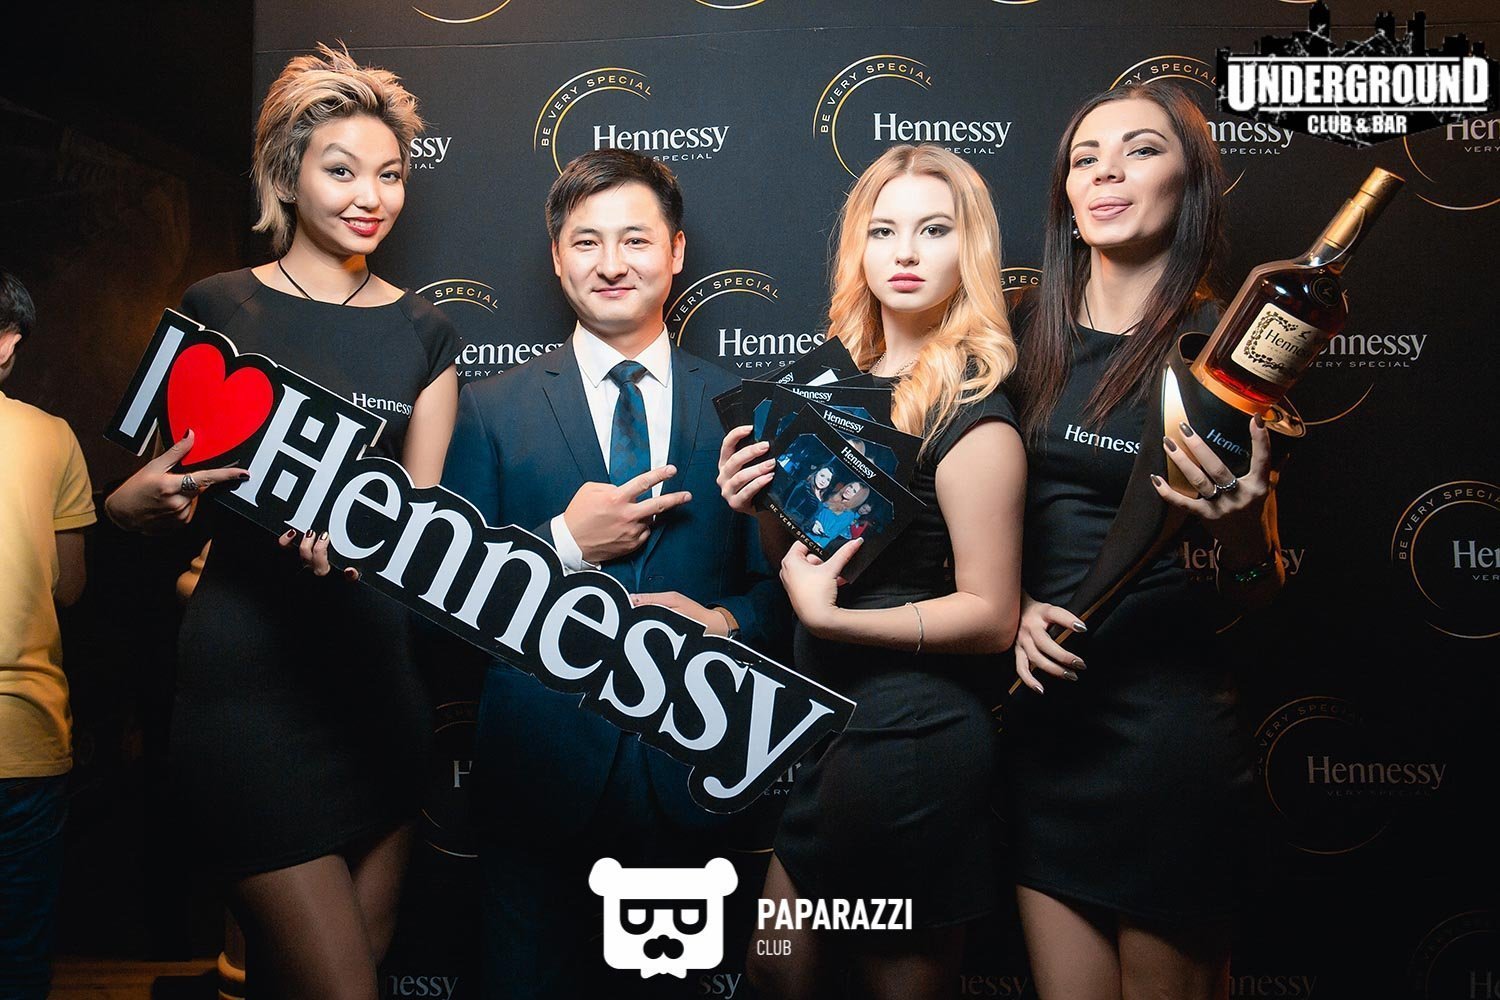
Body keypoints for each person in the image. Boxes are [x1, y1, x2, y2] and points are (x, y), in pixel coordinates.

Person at [104, 45, 458, 1000]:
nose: (370, 196)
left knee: (349, 967)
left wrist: (376, 554)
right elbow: (162, 486)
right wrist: (130, 507)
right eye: (341, 170)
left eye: (390, 174)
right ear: (288, 175)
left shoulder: (427, 334)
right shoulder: (218, 307)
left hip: (377, 689)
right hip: (249, 692)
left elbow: (421, 529)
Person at [440, 148, 788, 999]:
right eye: (586, 241)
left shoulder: (744, 407)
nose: (611, 262)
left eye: (635, 239)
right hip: (538, 782)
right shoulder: (489, 409)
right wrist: (563, 542)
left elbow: (788, 591)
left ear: (675, 251)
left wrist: (724, 625)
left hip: (693, 772)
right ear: (557, 258)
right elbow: (441, 601)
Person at [718, 144, 1025, 1000]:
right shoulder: (837, 387)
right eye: (883, 230)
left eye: (934, 230)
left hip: (914, 735)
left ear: (970, 250)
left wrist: (835, 621)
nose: (905, 251)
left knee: (885, 982)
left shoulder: (971, 408)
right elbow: (805, 562)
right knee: (779, 975)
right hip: (836, 723)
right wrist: (761, 507)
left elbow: (992, 614)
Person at [1005, 84, 1284, 1000]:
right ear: (1065, 192)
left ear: (1190, 182)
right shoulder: (1018, 331)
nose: (1107, 172)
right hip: (1044, 732)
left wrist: (1243, 528)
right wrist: (1008, 610)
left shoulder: (1223, 353)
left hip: (1163, 736)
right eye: (1085, 158)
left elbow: (1257, 588)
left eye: (1141, 150)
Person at [0, 270, 94, 999]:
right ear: (8, 343)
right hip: (24, 734)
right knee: (19, 958)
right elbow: (70, 588)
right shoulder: (53, 436)